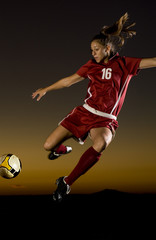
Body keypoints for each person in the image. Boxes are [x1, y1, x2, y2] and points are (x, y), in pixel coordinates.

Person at [32, 13, 156, 202]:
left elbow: (154, 61)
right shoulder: (91, 66)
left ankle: (66, 183)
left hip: (105, 119)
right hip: (84, 113)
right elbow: (68, 81)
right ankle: (62, 150)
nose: (93, 53)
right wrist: (46, 89)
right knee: (47, 145)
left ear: (107, 48)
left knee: (101, 144)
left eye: (96, 50)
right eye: (91, 50)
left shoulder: (125, 64)